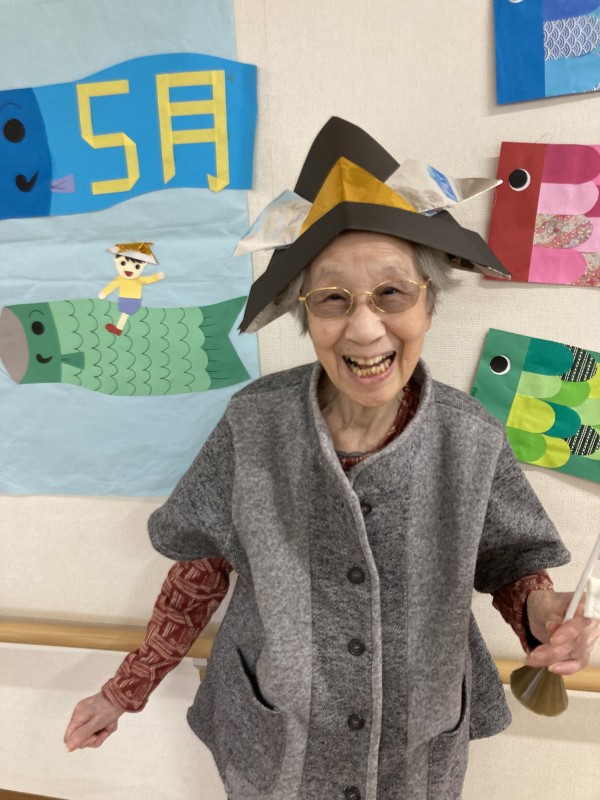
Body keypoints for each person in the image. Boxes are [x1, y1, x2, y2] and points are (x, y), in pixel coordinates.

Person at [65, 118, 599, 799]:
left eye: (392, 293)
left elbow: (512, 564)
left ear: (429, 303)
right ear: (305, 313)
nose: (365, 328)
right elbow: (201, 566)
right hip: (276, 742)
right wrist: (124, 690)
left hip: (417, 749)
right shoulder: (254, 424)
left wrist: (541, 615)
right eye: (333, 299)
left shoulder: (471, 439)